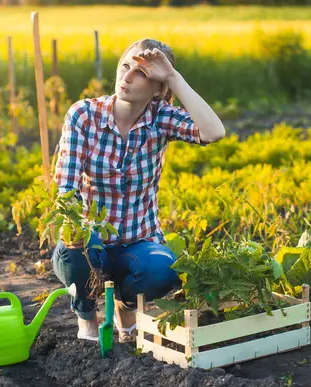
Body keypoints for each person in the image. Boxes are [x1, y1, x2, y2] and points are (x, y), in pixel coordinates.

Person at [51, 38, 226, 343]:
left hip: (138, 241)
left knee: (163, 270)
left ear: (159, 89)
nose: (127, 77)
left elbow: (214, 132)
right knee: (75, 247)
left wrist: (173, 77)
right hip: (92, 239)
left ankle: (125, 304)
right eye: (125, 66)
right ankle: (88, 318)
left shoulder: (161, 117)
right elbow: (66, 189)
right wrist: (74, 224)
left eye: (142, 73)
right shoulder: (83, 116)